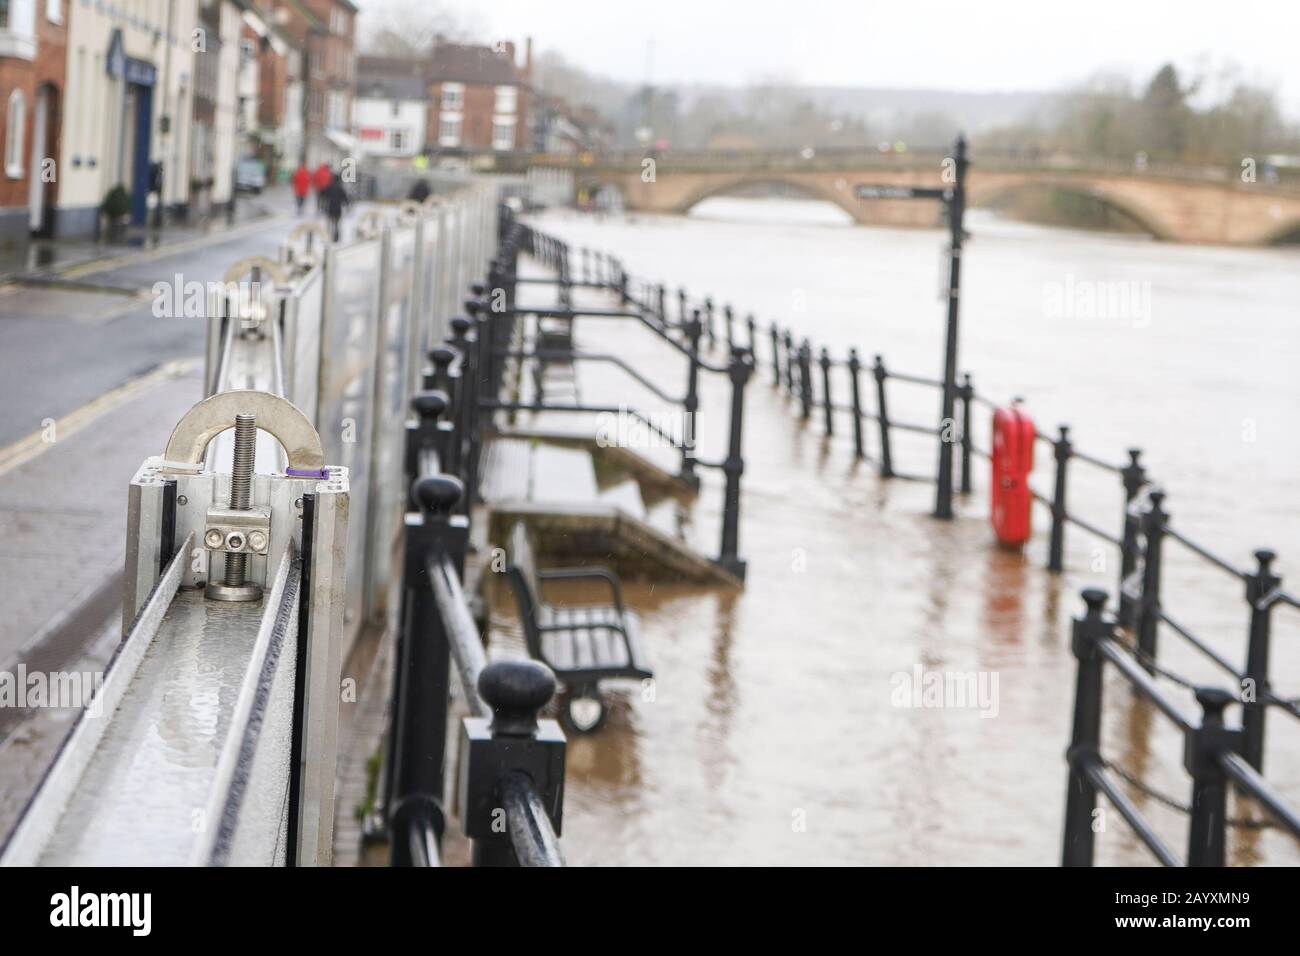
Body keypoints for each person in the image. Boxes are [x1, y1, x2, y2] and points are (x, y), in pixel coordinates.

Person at [320, 172, 351, 242]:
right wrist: (348, 206)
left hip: (330, 208)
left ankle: (328, 236)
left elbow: (322, 194)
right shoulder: (341, 188)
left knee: (329, 224)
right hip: (338, 209)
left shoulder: (329, 187)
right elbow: (345, 199)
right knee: (336, 224)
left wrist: (322, 205)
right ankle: (336, 237)